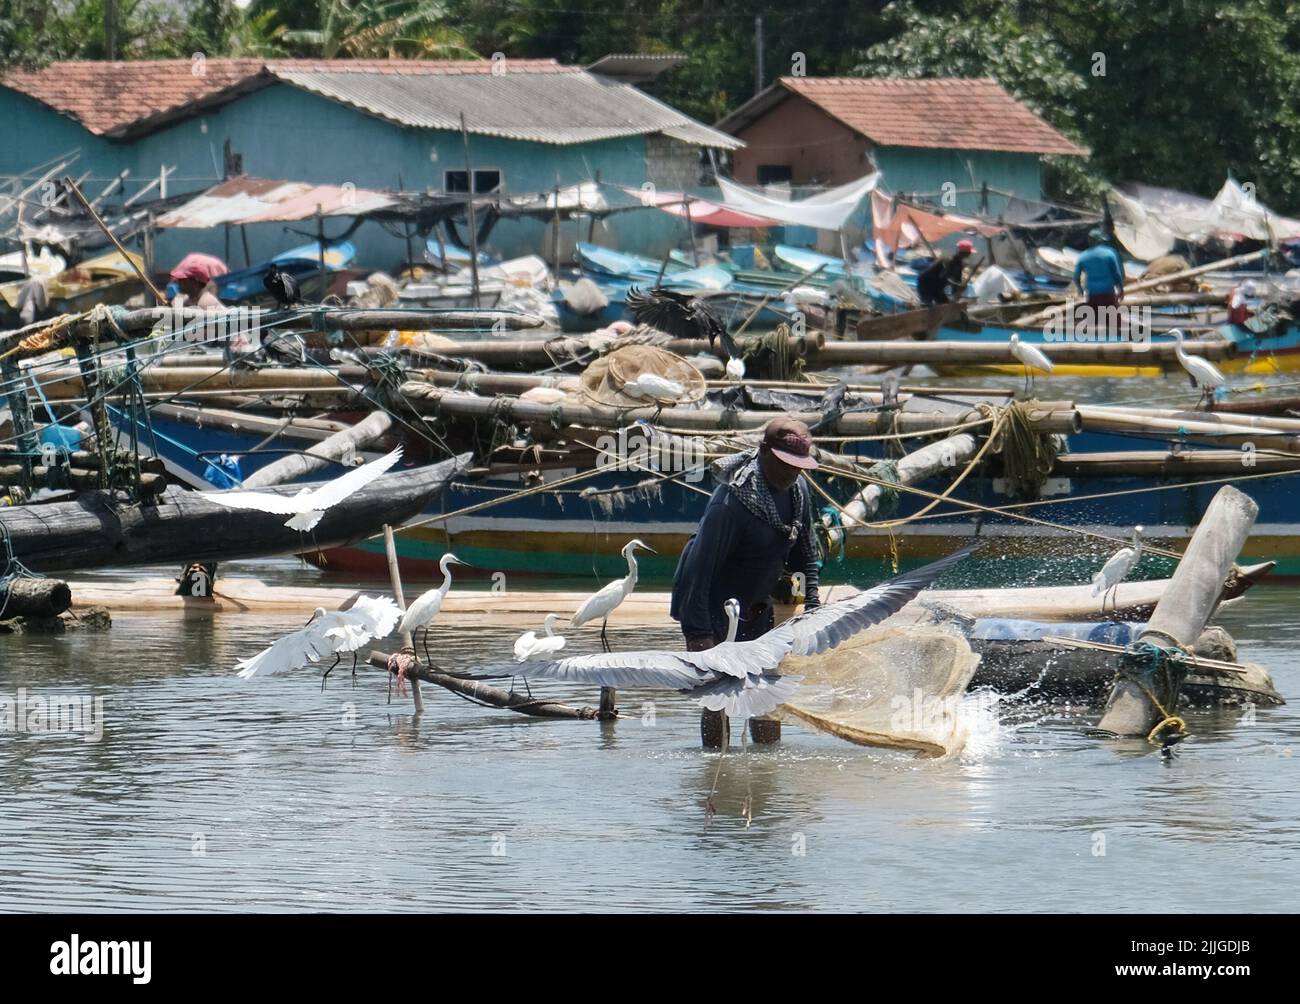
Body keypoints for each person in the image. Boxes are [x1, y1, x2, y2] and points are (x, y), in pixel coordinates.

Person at [671, 417, 822, 746]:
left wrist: (813, 603)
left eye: (799, 467)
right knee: (719, 693)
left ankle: (768, 767)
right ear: (764, 452)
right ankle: (715, 770)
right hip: (713, 604)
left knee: (767, 691)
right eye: (786, 465)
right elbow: (700, 568)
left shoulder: (797, 491)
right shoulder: (732, 501)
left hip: (757, 603)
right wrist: (699, 636)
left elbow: (805, 550)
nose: (792, 472)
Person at [1073, 229, 1125, 309]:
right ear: (1099, 241)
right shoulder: (1109, 254)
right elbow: (1117, 274)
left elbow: (1076, 278)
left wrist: (1081, 290)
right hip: (1108, 293)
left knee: (1095, 319)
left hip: (1092, 295)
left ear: (1089, 240)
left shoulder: (1082, 257)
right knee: (1112, 320)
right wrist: (1121, 289)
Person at [916, 239, 975, 306]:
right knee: (927, 307)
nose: (969, 255)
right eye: (969, 253)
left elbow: (957, 281)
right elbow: (943, 277)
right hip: (926, 284)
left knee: (945, 305)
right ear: (965, 254)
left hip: (937, 286)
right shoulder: (948, 261)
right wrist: (956, 285)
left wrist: (957, 293)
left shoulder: (959, 264)